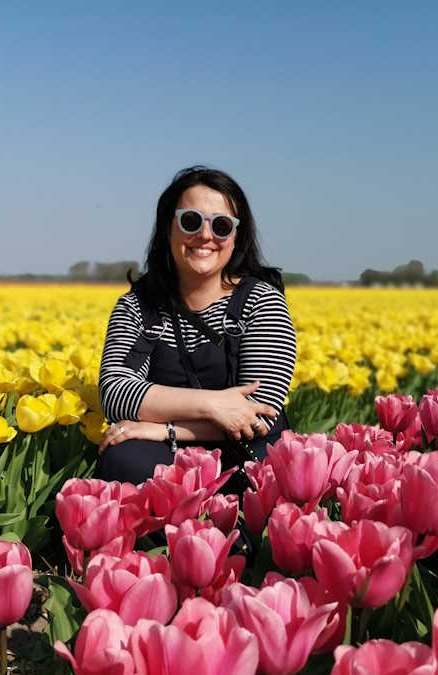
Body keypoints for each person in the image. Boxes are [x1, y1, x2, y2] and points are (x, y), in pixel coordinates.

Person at [96, 165, 297, 486]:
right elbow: (116, 393)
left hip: (242, 448)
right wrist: (213, 404)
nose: (205, 235)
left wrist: (165, 428)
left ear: (236, 237)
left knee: (265, 472)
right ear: (168, 228)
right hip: (164, 453)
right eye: (191, 221)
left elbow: (258, 414)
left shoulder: (261, 301)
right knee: (124, 459)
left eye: (221, 226)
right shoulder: (138, 306)